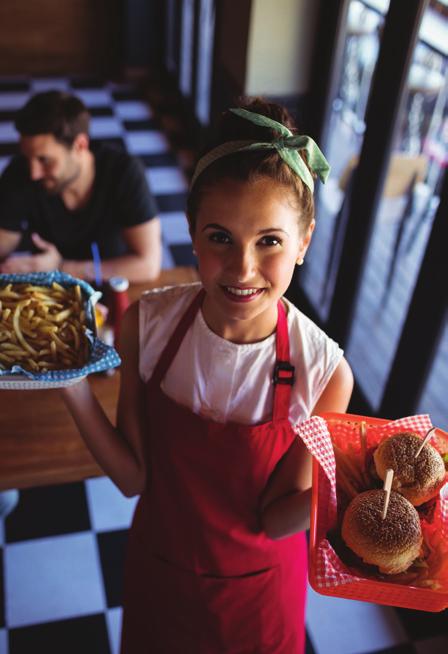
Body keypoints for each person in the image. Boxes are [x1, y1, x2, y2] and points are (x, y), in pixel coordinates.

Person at [60, 97, 354, 653]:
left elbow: (275, 520)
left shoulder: (326, 373)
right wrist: (70, 383)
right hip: (159, 575)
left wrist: (344, 499)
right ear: (192, 233)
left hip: (258, 603)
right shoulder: (148, 324)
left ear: (304, 242)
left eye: (270, 240)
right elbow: (133, 479)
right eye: (220, 237)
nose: (243, 268)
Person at [0, 90, 161, 283]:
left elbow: (148, 265)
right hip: (47, 293)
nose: (34, 173)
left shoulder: (123, 172)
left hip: (108, 287)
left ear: (80, 145)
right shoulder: (20, 171)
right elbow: (4, 239)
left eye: (45, 160)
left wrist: (61, 268)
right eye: (28, 157)